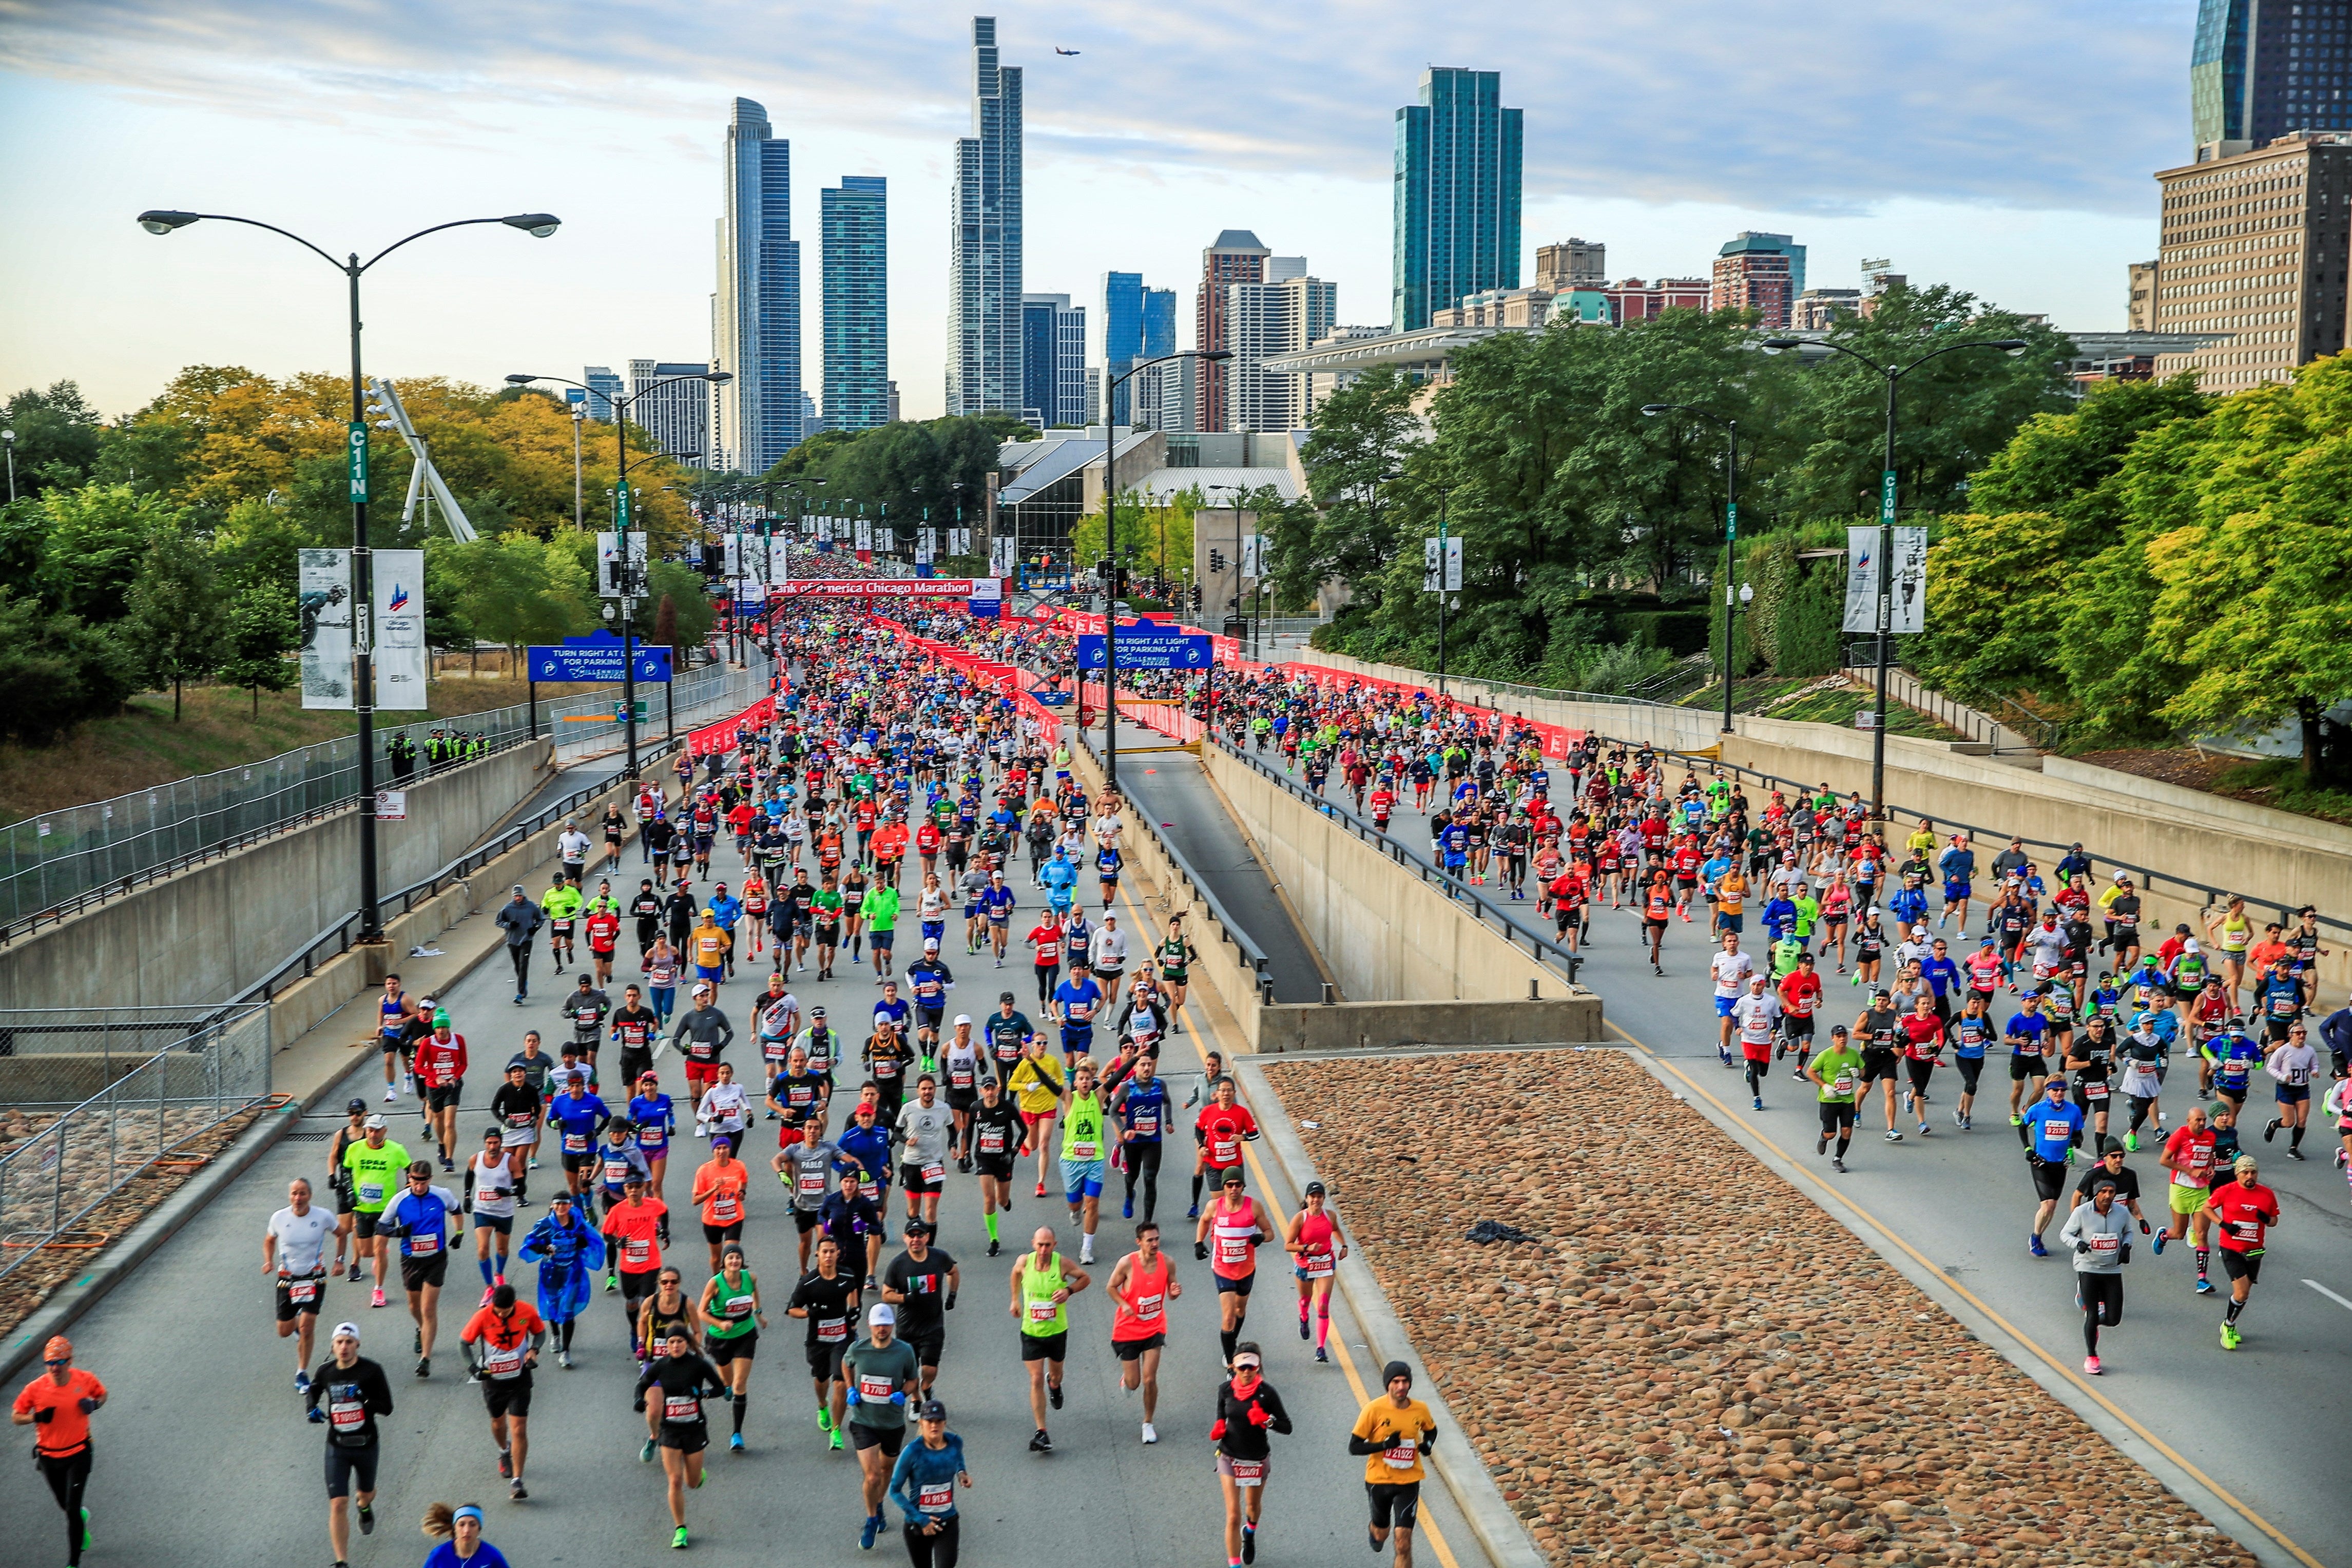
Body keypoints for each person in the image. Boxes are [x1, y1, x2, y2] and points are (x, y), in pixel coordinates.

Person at [304, 1322, 395, 1568]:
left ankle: (364, 1507)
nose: (344, 1347)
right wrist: (311, 1407)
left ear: (358, 1345)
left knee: (365, 1495)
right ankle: (341, 1561)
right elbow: (314, 1389)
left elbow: (387, 1408)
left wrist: (363, 1399)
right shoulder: (326, 1372)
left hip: (366, 1445)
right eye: (339, 1342)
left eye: (349, 1342)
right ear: (333, 1346)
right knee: (338, 1502)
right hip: (338, 1446)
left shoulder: (372, 1371)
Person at [13, 1334, 105, 1567]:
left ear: (70, 1362)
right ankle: (81, 1519)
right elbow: (16, 1416)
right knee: (66, 1506)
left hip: (79, 1453)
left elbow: (102, 1394)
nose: (55, 1367)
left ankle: (73, 1563)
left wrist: (94, 1404)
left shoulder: (84, 1379)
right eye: (50, 1363)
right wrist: (37, 1417)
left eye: (60, 1362)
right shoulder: (35, 1389)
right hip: (49, 1458)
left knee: (72, 1510)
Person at [634, 1327, 726, 1550]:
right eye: (672, 1342)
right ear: (666, 1345)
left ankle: (696, 1474)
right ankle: (680, 1529)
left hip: (694, 1428)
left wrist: (702, 1393)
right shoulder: (661, 1366)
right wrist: (638, 1400)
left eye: (680, 1341)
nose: (676, 1346)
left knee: (692, 1483)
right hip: (670, 1431)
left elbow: (721, 1389)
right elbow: (641, 1385)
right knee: (674, 1480)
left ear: (687, 1343)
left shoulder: (698, 1364)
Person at [844, 1303, 925, 1551]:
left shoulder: (904, 1351)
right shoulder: (859, 1349)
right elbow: (846, 1364)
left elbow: (914, 1379)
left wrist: (904, 1393)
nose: (882, 1329)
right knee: (872, 1475)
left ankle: (879, 1503)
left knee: (886, 1469)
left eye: (886, 1324)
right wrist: (850, 1388)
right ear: (870, 1325)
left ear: (892, 1326)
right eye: (878, 1324)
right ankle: (871, 1520)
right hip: (863, 1421)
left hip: (891, 1422)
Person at [458, 1283, 545, 1500]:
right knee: (498, 1423)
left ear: (514, 1305)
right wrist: (473, 1368)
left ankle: (517, 1481)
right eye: (497, 1310)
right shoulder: (483, 1316)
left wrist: (534, 1350)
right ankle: (504, 1451)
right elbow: (464, 1343)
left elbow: (540, 1333)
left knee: (519, 1428)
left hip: (520, 1377)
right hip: (494, 1380)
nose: (500, 1314)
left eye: (504, 1311)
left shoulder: (527, 1311)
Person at [1010, 1225, 1090, 1453]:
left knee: (1055, 1375)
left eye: (1048, 1245)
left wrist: (1069, 1291)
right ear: (1033, 1244)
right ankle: (1042, 1432)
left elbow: (1085, 1278)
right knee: (1035, 1379)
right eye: (1040, 1245)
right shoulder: (1025, 1262)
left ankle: (1054, 1385)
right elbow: (1015, 1274)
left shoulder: (1062, 1263)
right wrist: (1015, 1300)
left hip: (1056, 1332)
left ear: (1054, 1245)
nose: (1044, 1249)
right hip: (1031, 1333)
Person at [1351, 1361, 1438, 1568]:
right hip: (1379, 1481)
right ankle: (1375, 1530)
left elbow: (1431, 1430)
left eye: (1405, 1381)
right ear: (1388, 1385)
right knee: (1383, 1533)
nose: (1401, 1387)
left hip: (1409, 1481)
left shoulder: (1420, 1409)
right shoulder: (1374, 1409)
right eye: (1396, 1382)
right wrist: (1384, 1445)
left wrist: (1427, 1444)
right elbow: (1354, 1447)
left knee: (1403, 1543)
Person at [1212, 1343, 1292, 1568]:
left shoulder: (1268, 1393)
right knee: (1233, 1515)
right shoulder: (1225, 1390)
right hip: (1229, 1456)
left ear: (1258, 1367)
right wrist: (1219, 1426)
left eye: (1251, 1367)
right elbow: (1222, 1411)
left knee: (1252, 1508)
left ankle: (1250, 1532)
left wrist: (1267, 1420)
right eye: (1242, 1368)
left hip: (1257, 1459)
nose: (1247, 1372)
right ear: (1234, 1368)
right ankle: (1235, 1564)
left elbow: (1287, 1427)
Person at [384, 1160, 460, 1378]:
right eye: (414, 1180)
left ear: (430, 1179)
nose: (418, 1185)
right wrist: (398, 1232)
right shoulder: (399, 1200)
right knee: (413, 1306)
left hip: (436, 1258)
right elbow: (381, 1227)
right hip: (411, 1260)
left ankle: (425, 1359)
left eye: (423, 1181)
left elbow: (456, 1210)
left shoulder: (441, 1195)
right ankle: (422, 1329)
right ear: (409, 1179)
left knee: (428, 1309)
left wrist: (459, 1233)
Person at [786, 1234, 863, 1449]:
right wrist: (810, 1313)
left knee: (840, 1381)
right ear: (817, 1255)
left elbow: (852, 1290)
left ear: (838, 1254)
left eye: (832, 1251)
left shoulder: (847, 1275)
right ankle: (822, 1405)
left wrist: (854, 1311)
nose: (828, 1255)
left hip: (842, 1336)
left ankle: (836, 1430)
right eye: (825, 1252)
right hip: (818, 1340)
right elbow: (791, 1310)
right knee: (822, 1378)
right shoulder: (808, 1282)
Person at [1107, 1218, 1179, 1444]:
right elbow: (1110, 1287)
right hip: (1127, 1330)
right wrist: (1124, 1304)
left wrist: (1175, 1292)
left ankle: (1148, 1423)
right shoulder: (1127, 1264)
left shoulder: (1168, 1263)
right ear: (1139, 1242)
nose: (1155, 1244)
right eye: (1150, 1240)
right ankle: (1126, 1382)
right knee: (1134, 1383)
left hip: (1154, 1327)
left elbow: (1172, 1290)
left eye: (1157, 1239)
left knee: (1150, 1379)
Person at [515, 1191, 604, 1366]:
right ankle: (555, 1335)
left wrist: (582, 1242)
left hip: (573, 1273)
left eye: (564, 1204)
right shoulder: (545, 1224)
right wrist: (544, 1249)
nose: (561, 1207)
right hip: (552, 1274)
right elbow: (530, 1243)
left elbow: (593, 1241)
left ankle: (566, 1351)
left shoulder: (579, 1225)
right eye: (557, 1204)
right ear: (552, 1205)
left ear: (571, 1205)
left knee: (568, 1311)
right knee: (553, 1307)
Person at [267, 1176, 338, 1389]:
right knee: (284, 1331)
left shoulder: (323, 1216)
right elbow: (269, 1240)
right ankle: (296, 1324)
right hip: (287, 1280)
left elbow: (341, 1233)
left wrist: (340, 1260)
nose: (298, 1198)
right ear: (290, 1196)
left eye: (303, 1193)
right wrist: (268, 1261)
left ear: (310, 1196)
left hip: (315, 1278)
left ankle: (302, 1372)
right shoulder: (279, 1217)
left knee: (308, 1328)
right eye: (294, 1194)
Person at [2058, 1177, 2134, 1375]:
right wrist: (2078, 1244)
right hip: (2088, 1267)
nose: (2108, 1196)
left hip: (2112, 1269)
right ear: (2096, 1194)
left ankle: (2092, 1323)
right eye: (2104, 1192)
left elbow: (2129, 1232)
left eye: (2111, 1192)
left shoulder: (2122, 1212)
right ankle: (2092, 1356)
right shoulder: (2082, 1212)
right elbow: (2065, 1234)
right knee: (2092, 1314)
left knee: (2114, 1318)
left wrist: (2126, 1247)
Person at [888, 1400, 973, 1568]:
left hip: (948, 1521)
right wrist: (921, 1519)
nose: (935, 1426)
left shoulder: (955, 1442)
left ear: (945, 1423)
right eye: (930, 1421)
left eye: (939, 1421)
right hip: (918, 1524)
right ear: (921, 1423)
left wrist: (961, 1472)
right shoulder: (912, 1452)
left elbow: (958, 1456)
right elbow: (894, 1490)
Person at [699, 1241, 766, 1451]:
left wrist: (758, 1313)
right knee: (727, 1381)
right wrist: (720, 1323)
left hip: (745, 1334)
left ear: (742, 1261)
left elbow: (755, 1293)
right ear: (724, 1263)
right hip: (720, 1338)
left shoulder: (750, 1277)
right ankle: (726, 1387)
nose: (735, 1261)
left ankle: (737, 1434)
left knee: (739, 1385)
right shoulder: (716, 1283)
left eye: (738, 1257)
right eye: (731, 1258)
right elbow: (701, 1312)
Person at [881, 1219, 960, 1399]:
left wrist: (952, 1295)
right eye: (911, 1235)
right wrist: (905, 1298)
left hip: (933, 1325)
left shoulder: (939, 1257)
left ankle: (927, 1386)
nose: (915, 1239)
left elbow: (953, 1272)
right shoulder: (898, 1264)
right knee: (910, 1370)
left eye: (920, 1235)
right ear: (905, 1238)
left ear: (927, 1237)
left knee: (930, 1369)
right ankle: (916, 1400)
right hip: (908, 1327)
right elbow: (886, 1294)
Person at [2211, 1154, 2281, 1350]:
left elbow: (2274, 1221)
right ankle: (2228, 1326)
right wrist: (2223, 1224)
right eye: (2245, 1173)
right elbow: (2207, 1208)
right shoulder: (2226, 1191)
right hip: (2231, 1248)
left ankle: (2230, 1322)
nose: (2250, 1176)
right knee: (2241, 1292)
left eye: (2253, 1172)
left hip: (2254, 1251)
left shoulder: (2267, 1194)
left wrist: (2265, 1219)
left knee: (2246, 1293)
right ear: (2238, 1175)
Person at [342, 1113, 412, 1309]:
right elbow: (346, 1169)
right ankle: (378, 1252)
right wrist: (348, 1189)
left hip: (386, 1209)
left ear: (385, 1131)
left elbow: (410, 1169)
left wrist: (407, 1190)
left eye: (377, 1131)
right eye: (370, 1130)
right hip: (362, 1207)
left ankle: (378, 1290)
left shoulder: (396, 1150)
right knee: (366, 1252)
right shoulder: (354, 1148)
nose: (373, 1134)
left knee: (379, 1251)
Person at [1283, 1178, 1348, 1363]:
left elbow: (1336, 1230)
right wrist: (1307, 1248)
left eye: (1319, 1197)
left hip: (1326, 1264)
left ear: (1323, 1199)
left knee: (1324, 1304)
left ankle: (1321, 1349)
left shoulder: (1330, 1216)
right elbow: (1288, 1245)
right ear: (1307, 1198)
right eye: (1313, 1197)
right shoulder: (1300, 1219)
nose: (1316, 1200)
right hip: (1306, 1264)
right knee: (1306, 1300)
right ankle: (1303, 1317)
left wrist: (1344, 1245)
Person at [2019, 1077, 2086, 1257]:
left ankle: (2038, 1235)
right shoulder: (2038, 1109)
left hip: (2061, 1164)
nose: (2059, 1093)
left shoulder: (2073, 1111)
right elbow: (2022, 1126)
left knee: (2053, 1206)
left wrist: (2075, 1142)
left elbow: (2079, 1135)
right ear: (2048, 1090)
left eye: (2062, 1090)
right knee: (2047, 1205)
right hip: (2041, 1162)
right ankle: (2035, 1238)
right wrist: (2028, 1149)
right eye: (2055, 1090)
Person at [419, 1501, 511, 1568]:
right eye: (462, 1525)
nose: (467, 1530)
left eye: (473, 1525)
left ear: (479, 1529)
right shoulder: (439, 1555)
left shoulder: (492, 1556)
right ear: (455, 1528)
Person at [496, 886, 545, 1004]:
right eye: (516, 896)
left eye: (520, 896)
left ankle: (521, 994)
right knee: (518, 966)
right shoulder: (508, 908)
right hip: (513, 941)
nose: (518, 898)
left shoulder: (531, 906)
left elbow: (541, 919)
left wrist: (535, 928)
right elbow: (498, 922)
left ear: (523, 895)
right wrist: (509, 925)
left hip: (526, 940)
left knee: (524, 965)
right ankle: (523, 982)